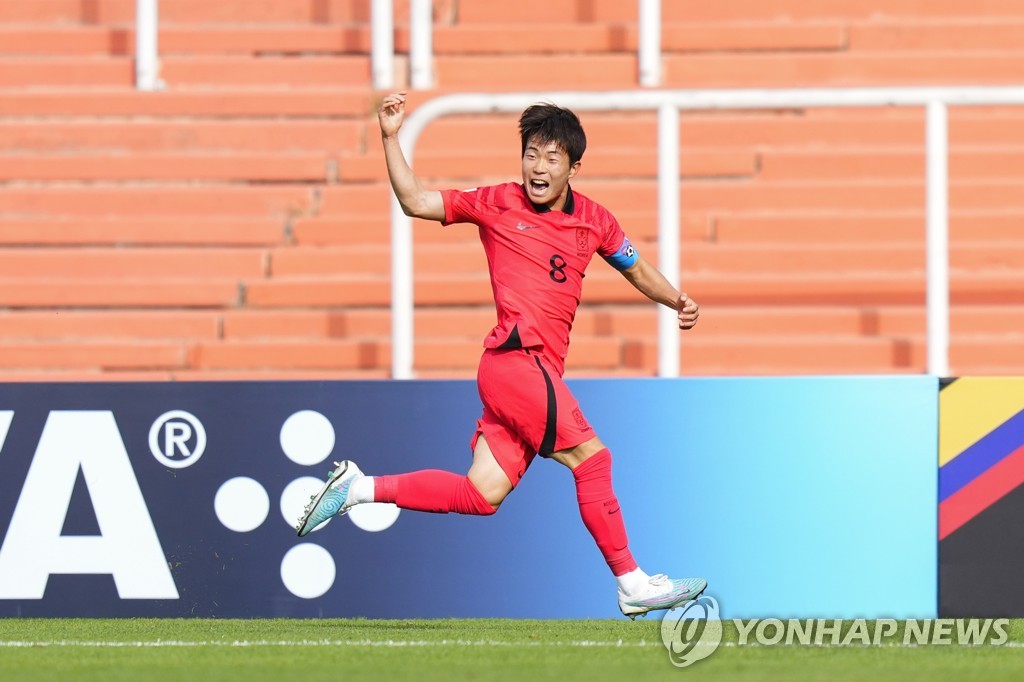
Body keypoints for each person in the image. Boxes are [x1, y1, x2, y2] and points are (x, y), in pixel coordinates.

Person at [296, 92, 706, 619]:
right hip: (516, 359)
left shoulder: (596, 221)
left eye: (551, 158)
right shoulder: (497, 202)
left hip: (530, 372)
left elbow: (634, 266)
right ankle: (632, 582)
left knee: (481, 493)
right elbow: (416, 201)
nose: (538, 167)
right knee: (593, 458)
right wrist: (390, 137)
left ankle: (360, 488)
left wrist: (676, 299)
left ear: (574, 167)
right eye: (531, 154)